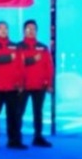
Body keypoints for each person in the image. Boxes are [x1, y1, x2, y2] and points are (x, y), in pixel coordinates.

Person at [0, 21, 26, 150]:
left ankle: (13, 140)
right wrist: (9, 57)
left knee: (13, 115)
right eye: (0, 28)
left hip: (12, 86)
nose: (3, 30)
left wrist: (21, 83)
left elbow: (20, 65)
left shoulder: (16, 46)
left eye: (5, 28)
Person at [16, 19, 55, 148]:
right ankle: (16, 138)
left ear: (37, 31)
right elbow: (16, 65)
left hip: (39, 85)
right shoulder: (18, 47)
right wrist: (32, 59)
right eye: (28, 29)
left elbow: (49, 66)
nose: (31, 31)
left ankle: (38, 137)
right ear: (24, 31)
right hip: (23, 85)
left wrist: (49, 84)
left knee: (38, 112)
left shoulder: (43, 48)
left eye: (33, 29)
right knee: (18, 112)